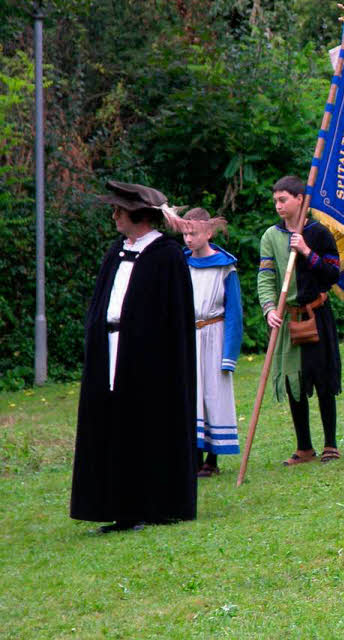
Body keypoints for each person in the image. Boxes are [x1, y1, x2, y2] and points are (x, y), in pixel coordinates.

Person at [71, 181, 197, 533]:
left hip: (147, 360)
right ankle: (117, 506)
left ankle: (149, 505)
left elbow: (173, 318)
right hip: (110, 350)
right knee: (112, 426)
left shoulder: (166, 255)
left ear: (137, 215)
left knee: (144, 426)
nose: (114, 216)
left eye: (119, 211)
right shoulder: (117, 251)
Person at [257, 175, 342, 465]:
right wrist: (270, 308)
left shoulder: (319, 233)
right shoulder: (271, 236)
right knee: (295, 381)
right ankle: (304, 446)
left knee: (322, 379)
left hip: (317, 314)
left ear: (300, 200)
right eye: (276, 201)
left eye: (283, 200)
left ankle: (330, 444)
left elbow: (333, 273)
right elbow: (266, 277)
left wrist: (306, 251)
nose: (279, 206)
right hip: (288, 318)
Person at [183, 208, 242, 477]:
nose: (188, 238)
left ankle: (212, 459)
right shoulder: (181, 265)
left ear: (208, 233)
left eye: (193, 233)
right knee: (191, 395)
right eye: (185, 233)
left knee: (214, 394)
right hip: (189, 336)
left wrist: (228, 354)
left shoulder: (224, 266)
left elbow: (234, 313)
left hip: (215, 334)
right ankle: (192, 456)